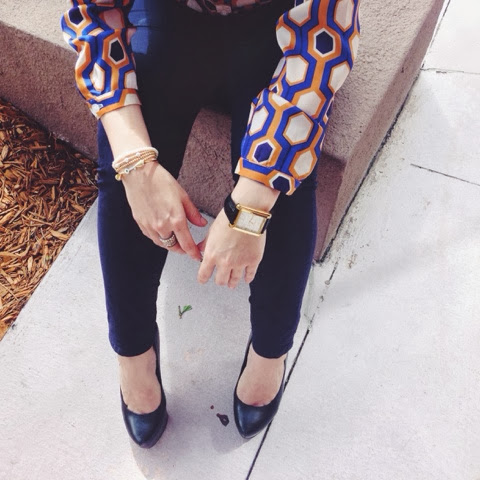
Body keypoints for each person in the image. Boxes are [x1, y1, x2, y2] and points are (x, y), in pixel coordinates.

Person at [61, 0, 360, 447]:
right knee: (122, 172)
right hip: (168, 16)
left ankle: (270, 350)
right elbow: (93, 15)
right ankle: (133, 353)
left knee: (287, 178)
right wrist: (136, 163)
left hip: (284, 27)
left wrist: (251, 207)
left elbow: (324, 36)